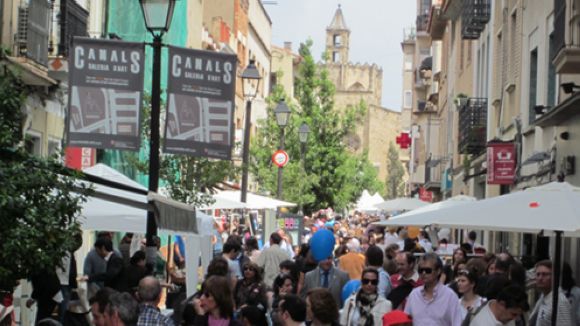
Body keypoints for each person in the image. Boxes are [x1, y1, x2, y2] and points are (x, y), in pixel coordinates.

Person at [404, 253, 463, 325]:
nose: (423, 273)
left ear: (438, 271)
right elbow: (406, 322)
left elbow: (457, 323)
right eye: (420, 270)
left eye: (428, 270)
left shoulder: (450, 296)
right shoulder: (413, 295)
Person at [529, 259, 573, 326]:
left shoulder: (559, 301)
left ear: (555, 277)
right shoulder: (544, 297)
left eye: (545, 274)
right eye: (538, 274)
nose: (540, 278)